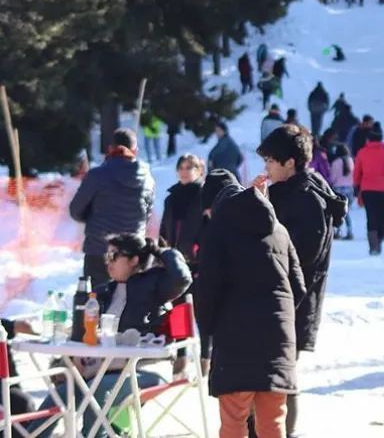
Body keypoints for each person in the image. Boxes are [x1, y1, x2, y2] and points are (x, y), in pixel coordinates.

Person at [34, 235, 191, 437]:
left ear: (133, 260)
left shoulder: (154, 286)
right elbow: (84, 331)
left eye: (114, 255)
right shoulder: (104, 291)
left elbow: (182, 278)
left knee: (96, 389)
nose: (108, 261)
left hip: (145, 368)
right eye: (106, 256)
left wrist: (164, 252)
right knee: (63, 391)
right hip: (107, 368)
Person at [195, 173, 305, 438]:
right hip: (277, 340)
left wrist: (209, 327)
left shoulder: (218, 229)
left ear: (215, 206)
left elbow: (207, 289)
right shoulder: (278, 229)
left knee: (234, 421)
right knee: (273, 422)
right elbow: (298, 286)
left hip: (235, 340)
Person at [257, 125, 345, 437]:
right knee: (266, 375)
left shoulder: (308, 198)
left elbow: (300, 255)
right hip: (274, 301)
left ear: (290, 162)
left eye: (270, 160)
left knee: (279, 377)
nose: (266, 167)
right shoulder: (285, 192)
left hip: (292, 302)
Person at [69, 128, 155, 287]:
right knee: (131, 303)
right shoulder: (147, 178)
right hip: (133, 252)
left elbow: (76, 210)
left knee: (96, 304)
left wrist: (91, 216)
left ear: (110, 148)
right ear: (135, 150)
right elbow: (147, 213)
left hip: (99, 249)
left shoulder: (97, 175)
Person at [353, 124, 384, 255]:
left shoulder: (362, 152)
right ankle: (380, 238)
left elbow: (357, 172)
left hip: (368, 189)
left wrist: (356, 186)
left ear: (368, 139)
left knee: (371, 216)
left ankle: (373, 245)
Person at [1, 318, 37, 415]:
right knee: (25, 404)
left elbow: (21, 325)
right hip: (7, 391)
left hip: (8, 390)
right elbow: (23, 326)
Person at [327, 141, 355, 240]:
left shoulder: (335, 162)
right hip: (349, 189)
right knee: (347, 212)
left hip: (338, 189)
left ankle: (338, 231)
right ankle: (350, 230)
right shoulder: (351, 161)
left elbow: (332, 178)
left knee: (338, 212)